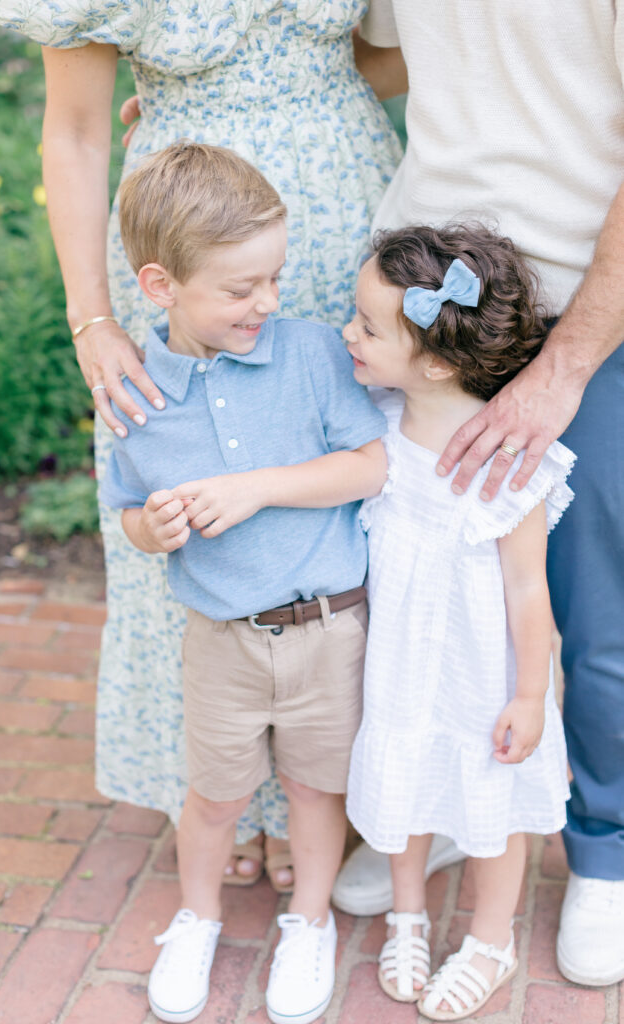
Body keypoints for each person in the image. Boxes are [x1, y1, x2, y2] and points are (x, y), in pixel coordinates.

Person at [0, 0, 403, 892]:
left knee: (344, 501)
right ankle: (227, 792)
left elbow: (390, 60)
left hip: (332, 230)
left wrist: (292, 99)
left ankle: (323, 785)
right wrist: (91, 316)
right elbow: (71, 130)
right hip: (185, 246)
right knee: (186, 499)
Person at [334, 3, 624, 987]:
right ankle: (442, 805)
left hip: (582, 302)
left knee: (586, 610)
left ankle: (605, 847)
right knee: (409, 584)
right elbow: (378, 52)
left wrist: (568, 362)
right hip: (424, 304)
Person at [101, 141, 387, 1024]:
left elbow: (371, 465)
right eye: (239, 289)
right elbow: (128, 513)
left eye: (273, 277)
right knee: (215, 794)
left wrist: (252, 488)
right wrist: (156, 527)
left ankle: (308, 923)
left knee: (315, 788)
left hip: (328, 629)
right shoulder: (134, 391)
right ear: (160, 288)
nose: (266, 301)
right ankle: (196, 919)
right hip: (219, 642)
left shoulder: (309, 354)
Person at [343, 224, 574, 1020]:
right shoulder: (373, 430)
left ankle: (489, 937)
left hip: (485, 672)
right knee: (403, 783)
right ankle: (406, 915)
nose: (349, 334)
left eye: (368, 328)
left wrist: (529, 696)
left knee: (494, 808)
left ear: (436, 362)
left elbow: (526, 589)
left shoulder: (512, 464)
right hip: (401, 660)